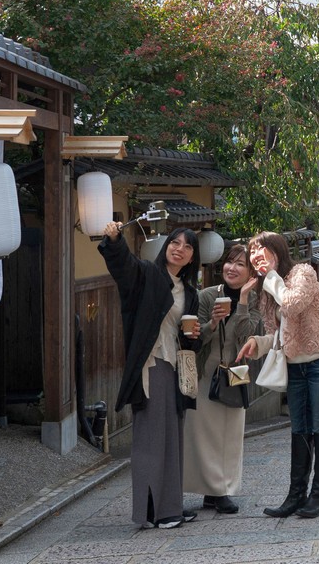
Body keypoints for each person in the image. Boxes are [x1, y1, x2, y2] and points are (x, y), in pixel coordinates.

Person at [100, 221, 203, 529]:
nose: (179, 248)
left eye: (187, 246)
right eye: (175, 242)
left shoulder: (190, 292)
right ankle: (150, 511)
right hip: (153, 363)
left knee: (173, 438)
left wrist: (193, 335)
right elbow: (124, 267)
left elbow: (185, 334)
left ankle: (170, 506)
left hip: (175, 368)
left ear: (192, 257)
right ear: (166, 245)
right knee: (150, 439)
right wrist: (115, 239)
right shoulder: (147, 275)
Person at [236, 231, 319, 519]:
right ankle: (296, 495)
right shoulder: (267, 290)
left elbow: (293, 304)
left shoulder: (301, 272)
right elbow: (276, 333)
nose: (255, 255)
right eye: (252, 251)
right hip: (295, 366)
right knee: (299, 429)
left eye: (260, 249)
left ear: (277, 250)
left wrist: (270, 279)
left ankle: (318, 497)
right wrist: (257, 343)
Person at [183, 244, 260, 514]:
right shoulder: (206, 296)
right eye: (229, 262)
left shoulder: (253, 300)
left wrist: (242, 303)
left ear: (251, 272)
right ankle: (211, 490)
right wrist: (213, 323)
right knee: (204, 435)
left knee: (231, 433)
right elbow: (195, 336)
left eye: (241, 264)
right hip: (207, 372)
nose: (232, 268)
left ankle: (223, 489)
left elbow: (246, 336)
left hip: (235, 372)